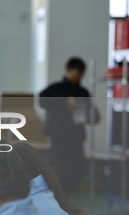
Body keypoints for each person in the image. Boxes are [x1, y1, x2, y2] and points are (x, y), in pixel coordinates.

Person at [39, 57, 99, 194]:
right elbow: (42, 101)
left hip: (76, 137)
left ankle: (70, 194)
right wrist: (64, 101)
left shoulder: (83, 93)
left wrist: (91, 115)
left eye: (82, 73)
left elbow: (95, 116)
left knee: (79, 168)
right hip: (59, 136)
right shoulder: (55, 89)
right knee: (63, 170)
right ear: (68, 70)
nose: (79, 75)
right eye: (76, 72)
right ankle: (61, 199)